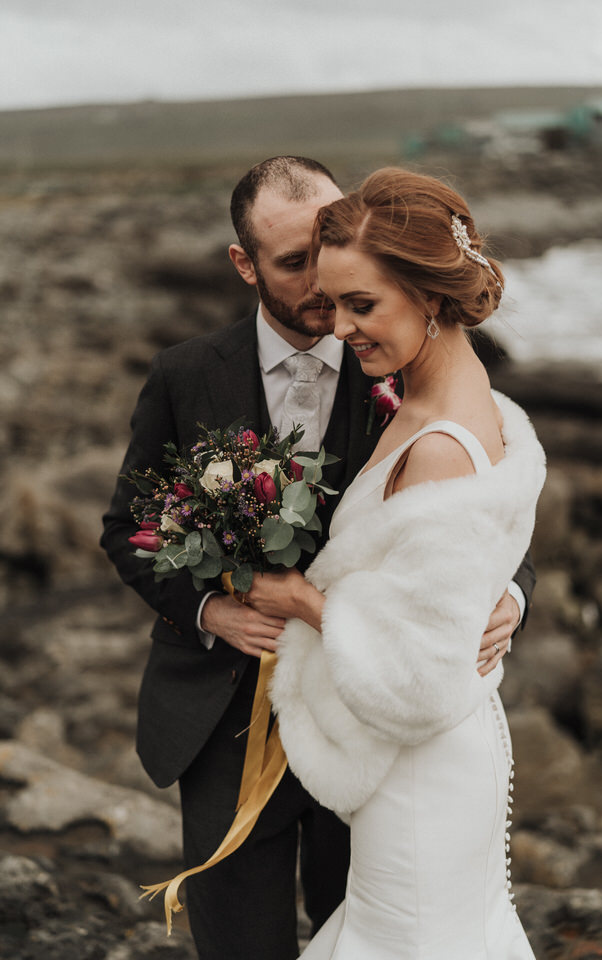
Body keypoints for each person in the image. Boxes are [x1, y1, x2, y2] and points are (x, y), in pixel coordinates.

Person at [100, 157, 535, 960]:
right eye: (295, 263)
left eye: (334, 254)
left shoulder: (406, 364)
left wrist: (510, 589)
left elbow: (482, 497)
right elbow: (131, 525)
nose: (325, 295)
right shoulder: (187, 375)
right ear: (245, 264)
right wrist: (208, 607)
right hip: (223, 721)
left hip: (371, 726)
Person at [243, 168, 546, 958]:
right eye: (334, 302)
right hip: (436, 756)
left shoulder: (439, 446)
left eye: (362, 304)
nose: (339, 326)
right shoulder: (452, 396)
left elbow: (415, 681)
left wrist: (300, 599)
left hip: (420, 769)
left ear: (432, 297)